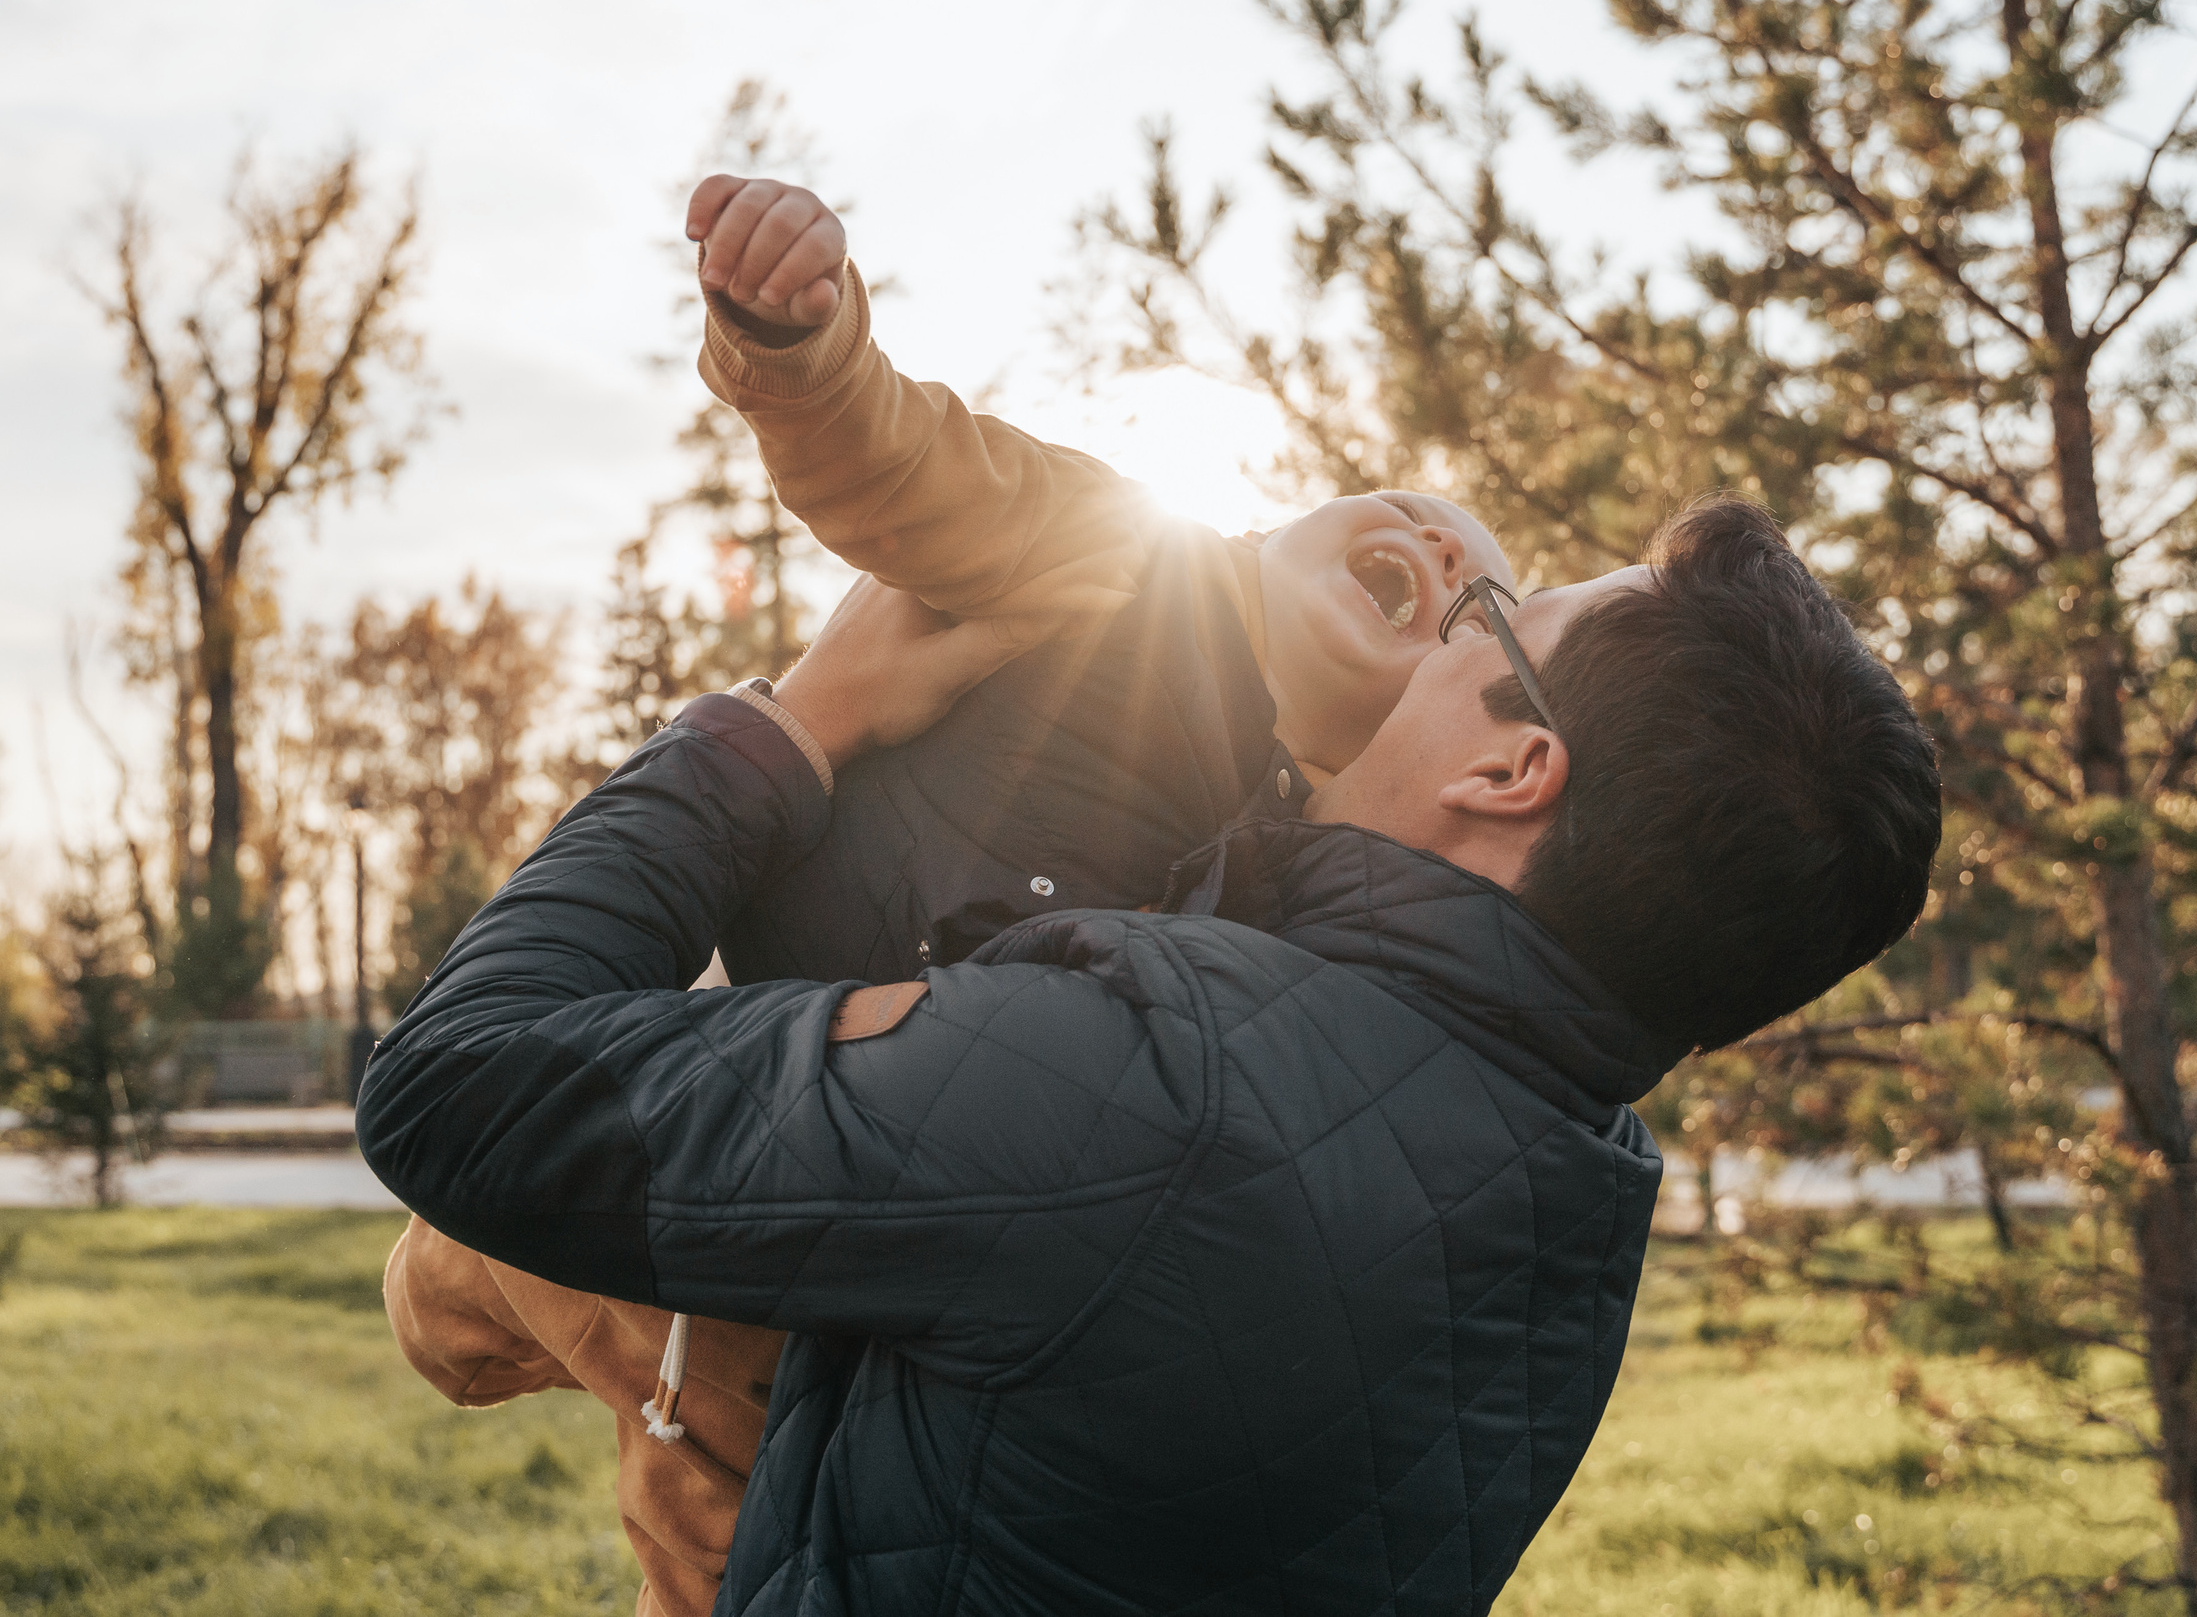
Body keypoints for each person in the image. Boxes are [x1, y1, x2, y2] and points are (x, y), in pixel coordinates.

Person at [357, 494, 1942, 1616]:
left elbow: (464, 1083)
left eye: (1495, 627)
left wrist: (793, 722)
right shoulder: (1569, 1189)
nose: (1461, 624)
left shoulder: (1150, 1090)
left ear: (1513, 765)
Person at [380, 175, 1515, 1617]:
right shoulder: (1121, 552)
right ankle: (455, 1280)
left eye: (1475, 596)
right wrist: (799, 347)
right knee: (492, 1258)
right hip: (799, 1022)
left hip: (922, 1178)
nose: (1437, 547)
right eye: (1419, 514)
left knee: (721, 1489)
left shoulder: (1304, 851)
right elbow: (907, 464)